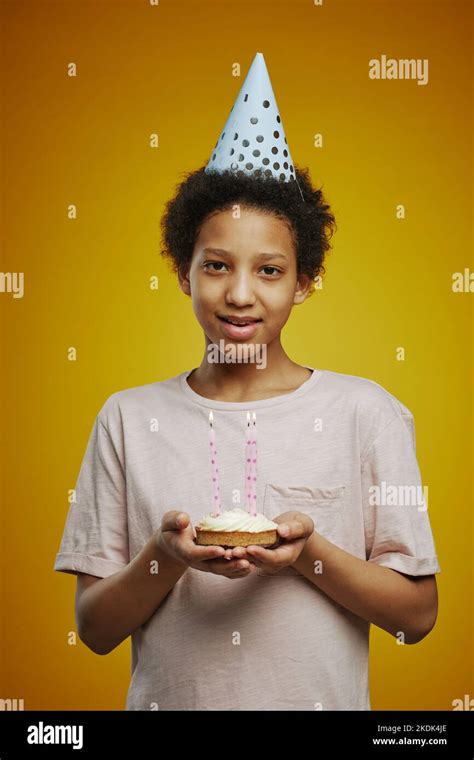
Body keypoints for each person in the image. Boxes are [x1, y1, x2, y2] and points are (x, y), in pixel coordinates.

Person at [54, 53, 440, 711]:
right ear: (183, 271)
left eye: (269, 270)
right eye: (216, 266)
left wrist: (307, 553)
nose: (239, 294)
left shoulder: (366, 413)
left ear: (305, 281)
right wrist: (166, 556)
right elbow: (93, 630)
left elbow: (417, 616)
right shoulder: (126, 418)